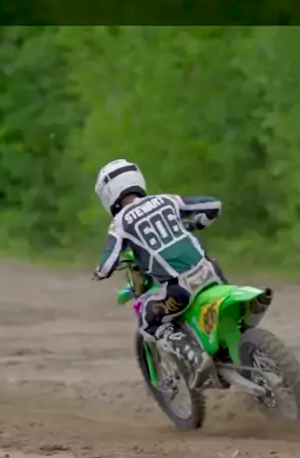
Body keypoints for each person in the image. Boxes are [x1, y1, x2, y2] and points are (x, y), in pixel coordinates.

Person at [92, 158, 227, 388]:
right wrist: (196, 224)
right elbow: (213, 205)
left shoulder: (120, 222)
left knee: (148, 321)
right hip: (212, 272)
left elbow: (107, 264)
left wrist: (100, 272)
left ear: (108, 194)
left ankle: (195, 356)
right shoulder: (167, 200)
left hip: (181, 289)